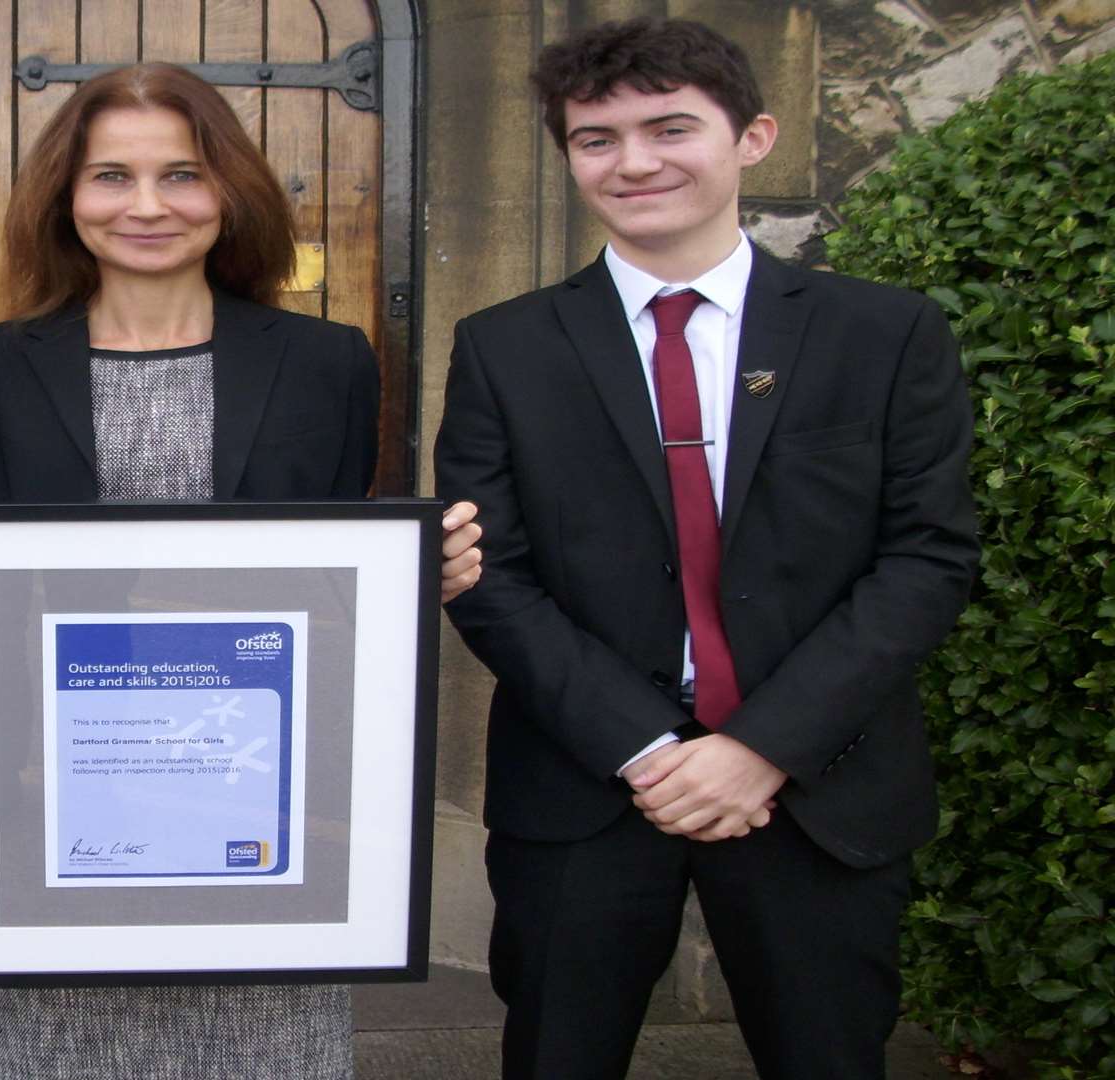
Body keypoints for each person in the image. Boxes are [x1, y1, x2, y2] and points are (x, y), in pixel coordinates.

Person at [0, 63, 480, 1080]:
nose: (146, 206)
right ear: (66, 196)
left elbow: (336, 606)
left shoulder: (327, 363)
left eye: (182, 174)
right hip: (61, 818)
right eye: (110, 177)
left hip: (262, 815)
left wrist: (413, 588)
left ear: (230, 193)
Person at [433, 17, 980, 1079]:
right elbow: (485, 574)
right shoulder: (503, 346)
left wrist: (760, 747)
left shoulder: (887, 334)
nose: (634, 162)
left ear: (753, 136)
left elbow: (926, 559)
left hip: (816, 783)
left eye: (669, 127)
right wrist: (650, 747)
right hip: (589, 784)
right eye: (596, 139)